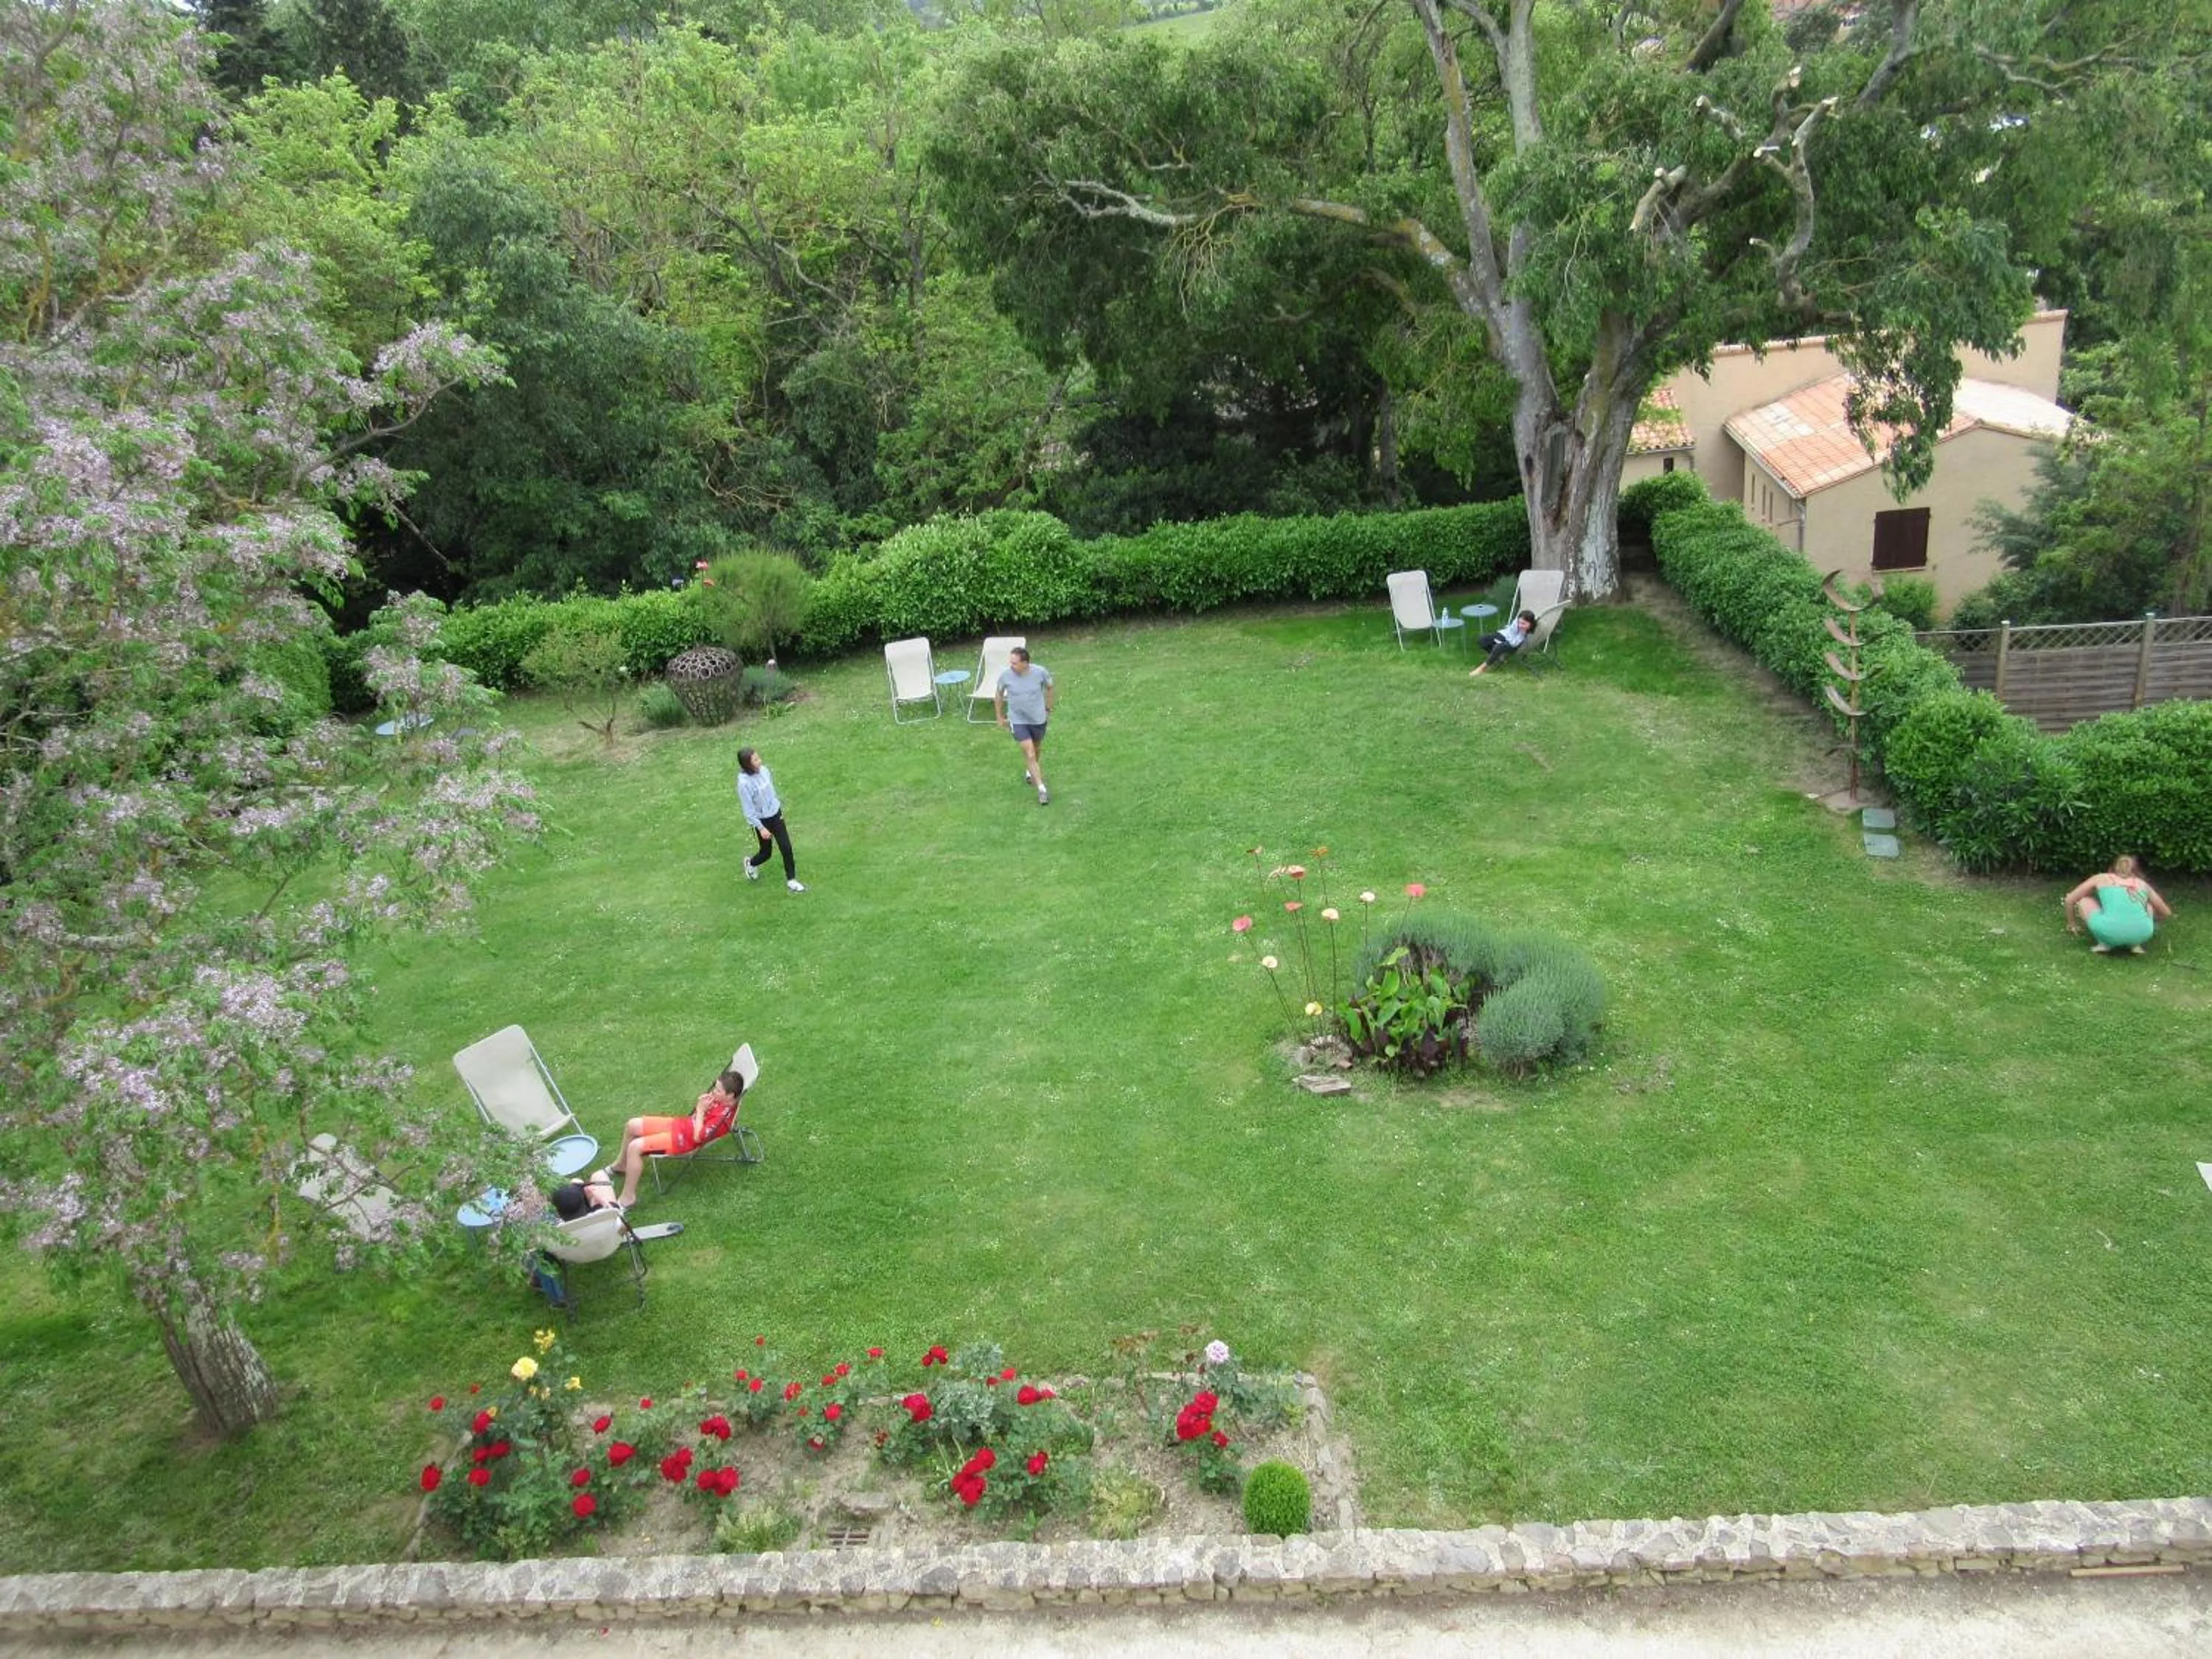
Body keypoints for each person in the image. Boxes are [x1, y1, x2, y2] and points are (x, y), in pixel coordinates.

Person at [608, 1068, 745, 1208]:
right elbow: (736, 1101)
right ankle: (621, 1165)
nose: (713, 1092)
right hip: (680, 1125)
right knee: (632, 1125)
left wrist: (700, 1110)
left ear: (730, 1096)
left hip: (682, 1141)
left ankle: (628, 1198)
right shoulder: (724, 1100)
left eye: (718, 1090)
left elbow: (698, 1138)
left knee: (635, 1147)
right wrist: (704, 1106)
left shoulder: (722, 1120)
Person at [2063, 855, 2172, 954]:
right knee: (2148, 906)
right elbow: (2166, 912)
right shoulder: (2143, 885)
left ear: (2112, 868)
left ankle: (2105, 943)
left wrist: (2072, 924)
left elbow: (2070, 900)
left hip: (2108, 929)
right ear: (2136, 871)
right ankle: (2135, 944)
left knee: (2085, 901)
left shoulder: (2101, 878)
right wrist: (2151, 921)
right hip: (2143, 933)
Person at [737, 745, 804, 892]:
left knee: (786, 848)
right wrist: (761, 828)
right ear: (747, 764)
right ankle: (751, 863)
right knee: (766, 853)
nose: (760, 761)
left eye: (758, 757)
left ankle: (791, 880)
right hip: (762, 821)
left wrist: (778, 809)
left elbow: (771, 793)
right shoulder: (744, 784)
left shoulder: (765, 771)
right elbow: (748, 811)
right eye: (755, 760)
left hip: (775, 814)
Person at [994, 644, 1056, 806]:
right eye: (1011, 662)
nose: (1011, 665)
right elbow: (999, 694)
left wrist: (1048, 708)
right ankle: (1042, 789)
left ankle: (1030, 770)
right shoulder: (1006, 676)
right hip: (1018, 720)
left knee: (1036, 749)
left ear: (1025, 663)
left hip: (1038, 719)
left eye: (1014, 663)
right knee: (1029, 753)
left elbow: (1050, 687)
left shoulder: (1040, 673)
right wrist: (999, 716)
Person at [1470, 610, 1538, 675]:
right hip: (1505, 635)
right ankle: (1497, 658)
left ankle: (1482, 668)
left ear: (1531, 625)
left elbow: (1514, 644)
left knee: (1499, 647)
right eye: (1519, 622)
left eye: (1523, 624)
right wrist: (1500, 640)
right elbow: (1509, 632)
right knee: (1483, 640)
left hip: (1513, 645)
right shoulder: (1517, 622)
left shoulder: (1525, 634)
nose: (1520, 625)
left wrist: (1522, 632)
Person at [549, 1168, 620, 1220]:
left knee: (575, 1181)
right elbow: (620, 1223)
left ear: (559, 1213)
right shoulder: (606, 1215)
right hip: (604, 1225)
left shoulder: (562, 1229)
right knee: (599, 1174)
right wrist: (602, 1200)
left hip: (585, 1237)